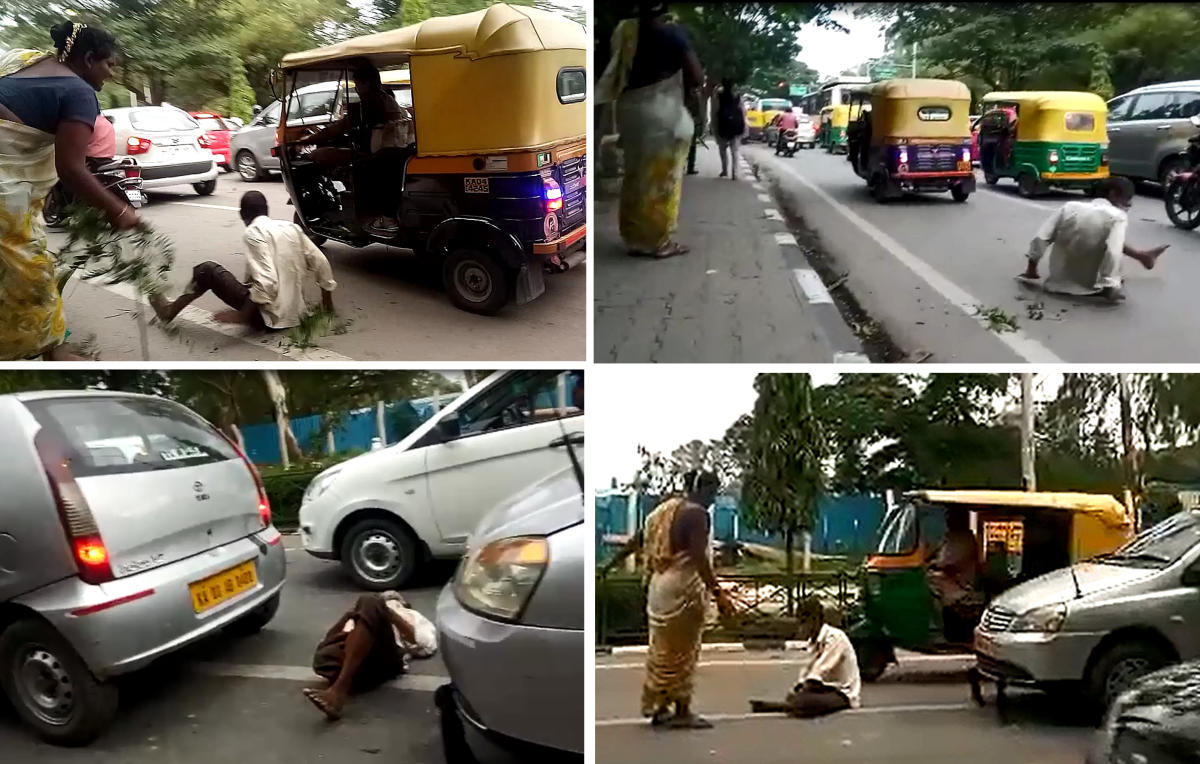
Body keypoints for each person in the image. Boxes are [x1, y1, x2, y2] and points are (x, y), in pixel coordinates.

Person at [0, 21, 141, 361]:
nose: (110, 75)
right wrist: (118, 210)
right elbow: (72, 169)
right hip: (6, 198)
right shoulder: (78, 92)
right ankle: (50, 350)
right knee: (32, 274)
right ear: (89, 58)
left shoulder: (23, 61)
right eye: (109, 65)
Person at [597, 1, 704, 259]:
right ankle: (658, 242)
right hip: (661, 112)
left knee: (635, 177)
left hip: (629, 111)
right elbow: (696, 77)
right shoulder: (671, 34)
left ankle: (634, 238)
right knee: (661, 180)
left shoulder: (625, 33)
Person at [149, 191, 336, 329]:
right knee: (247, 283)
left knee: (206, 270)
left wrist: (242, 316)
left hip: (269, 319)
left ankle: (168, 311)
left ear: (241, 214)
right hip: (297, 314)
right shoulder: (290, 228)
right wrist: (327, 306)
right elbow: (321, 263)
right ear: (266, 210)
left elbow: (267, 282)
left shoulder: (253, 233)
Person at [639, 471, 732, 729]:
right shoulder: (697, 514)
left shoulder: (663, 511)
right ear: (702, 489)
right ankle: (682, 710)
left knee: (662, 650)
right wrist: (719, 594)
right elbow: (699, 558)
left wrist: (609, 566)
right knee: (684, 652)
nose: (713, 499)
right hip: (683, 589)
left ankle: (660, 707)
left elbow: (639, 540)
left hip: (659, 587)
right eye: (713, 492)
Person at [1019, 176, 1169, 303]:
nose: (1128, 205)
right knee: (1108, 239)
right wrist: (1111, 285)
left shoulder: (1069, 207)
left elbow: (1041, 238)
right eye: (1127, 199)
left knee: (1097, 234)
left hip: (1054, 285)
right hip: (1089, 290)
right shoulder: (1117, 216)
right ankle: (1132, 264)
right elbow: (1113, 252)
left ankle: (1142, 256)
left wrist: (1031, 269)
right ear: (1113, 194)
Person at [304, 592, 434, 720]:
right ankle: (349, 676)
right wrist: (349, 616)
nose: (387, 601)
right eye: (385, 600)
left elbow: (425, 645)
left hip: (385, 658)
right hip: (358, 660)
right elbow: (328, 640)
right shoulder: (364, 615)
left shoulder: (412, 616)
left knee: (369, 600)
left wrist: (391, 615)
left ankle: (339, 689)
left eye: (392, 599)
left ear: (403, 604)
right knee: (323, 657)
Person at [749, 597, 861, 718]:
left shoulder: (834, 637)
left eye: (803, 623)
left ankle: (779, 707)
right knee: (797, 698)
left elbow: (822, 668)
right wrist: (799, 687)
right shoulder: (813, 642)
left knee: (804, 702)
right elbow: (808, 668)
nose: (801, 628)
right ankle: (789, 705)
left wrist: (805, 689)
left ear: (815, 620)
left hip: (843, 693)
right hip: (825, 688)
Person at [927, 512, 982, 633]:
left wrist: (928, 562)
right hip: (953, 579)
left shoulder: (961, 538)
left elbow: (944, 562)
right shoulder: (952, 536)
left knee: (928, 583)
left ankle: (935, 630)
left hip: (961, 586)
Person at [711, 78, 745, 179]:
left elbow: (715, 111)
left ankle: (724, 170)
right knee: (734, 151)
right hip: (735, 126)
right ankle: (735, 173)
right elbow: (742, 112)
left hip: (723, 125)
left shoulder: (719, 95)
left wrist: (713, 125)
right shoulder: (737, 96)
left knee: (722, 149)